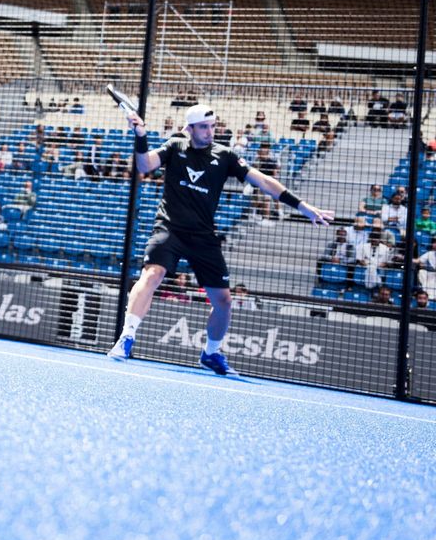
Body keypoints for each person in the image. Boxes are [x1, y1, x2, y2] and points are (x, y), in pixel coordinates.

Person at [108, 102, 332, 375]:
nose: (210, 131)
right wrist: (140, 135)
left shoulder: (225, 156)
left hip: (203, 236)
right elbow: (144, 165)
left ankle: (211, 354)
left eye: (212, 126)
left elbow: (262, 181)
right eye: (204, 127)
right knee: (152, 274)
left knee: (223, 301)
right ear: (190, 129)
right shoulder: (174, 147)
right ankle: (127, 337)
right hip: (170, 229)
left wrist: (302, 206)